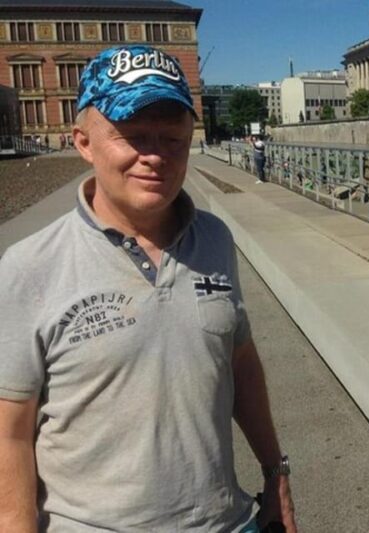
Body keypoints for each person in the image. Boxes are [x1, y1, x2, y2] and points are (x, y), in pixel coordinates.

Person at [0, 45, 296, 532]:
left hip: (226, 521)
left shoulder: (215, 239)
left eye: (173, 138)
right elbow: (10, 432)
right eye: (133, 136)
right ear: (83, 142)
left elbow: (240, 363)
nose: (155, 156)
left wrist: (275, 470)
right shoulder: (29, 266)